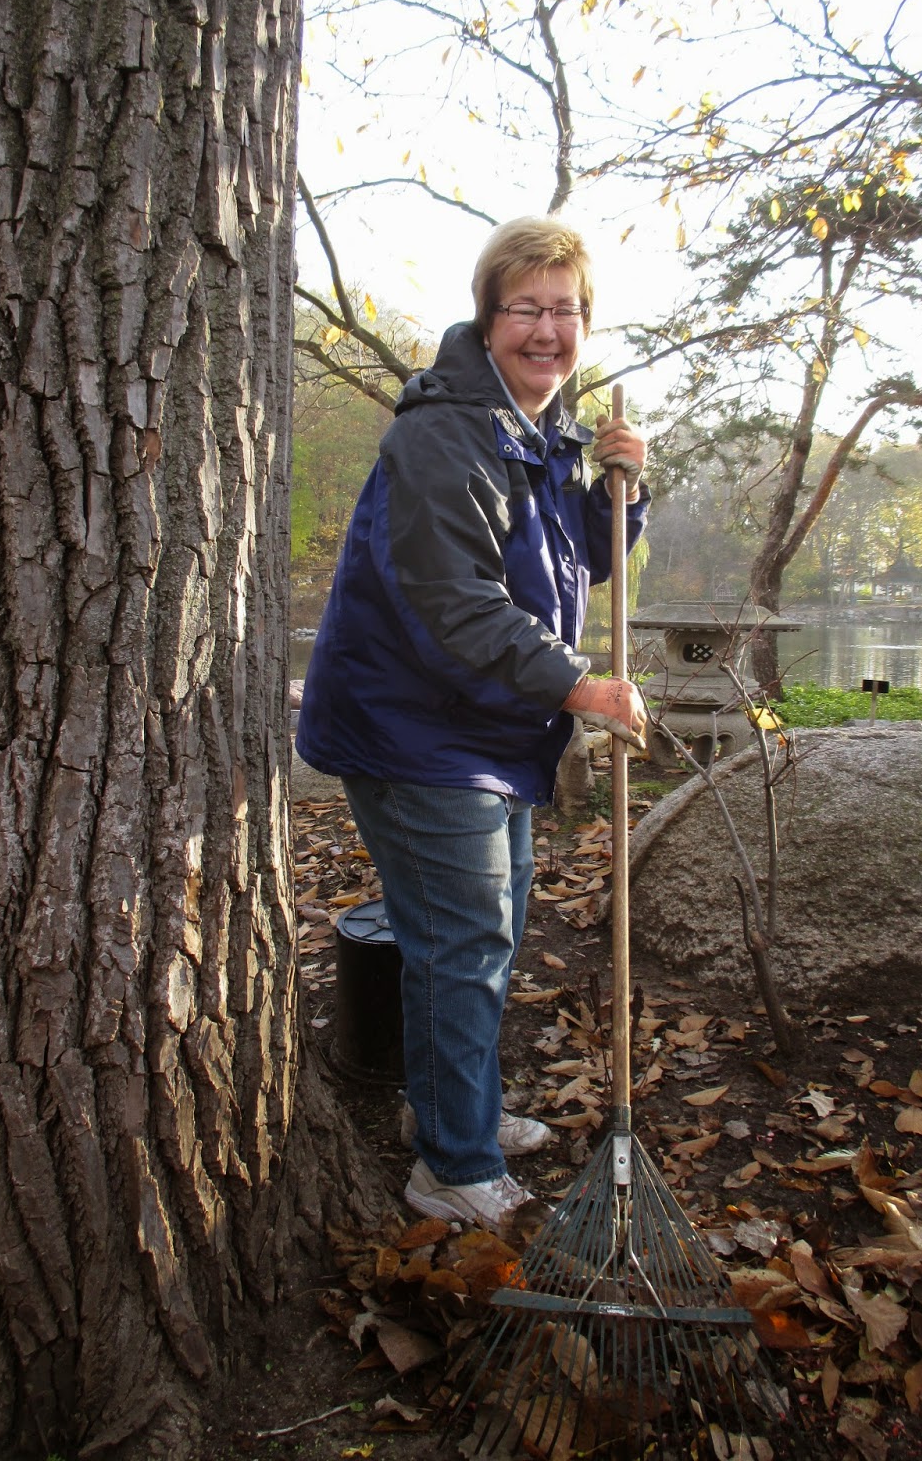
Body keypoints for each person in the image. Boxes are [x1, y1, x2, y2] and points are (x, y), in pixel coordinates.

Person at [296, 216, 650, 1232]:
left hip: (487, 729)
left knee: (471, 939)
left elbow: (574, 558)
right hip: (416, 728)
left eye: (565, 310)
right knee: (464, 940)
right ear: (488, 316)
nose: (547, 329)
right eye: (525, 307)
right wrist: (580, 687)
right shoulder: (443, 432)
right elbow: (455, 604)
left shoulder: (538, 430)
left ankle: (458, 1109)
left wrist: (621, 486)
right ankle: (450, 1166)